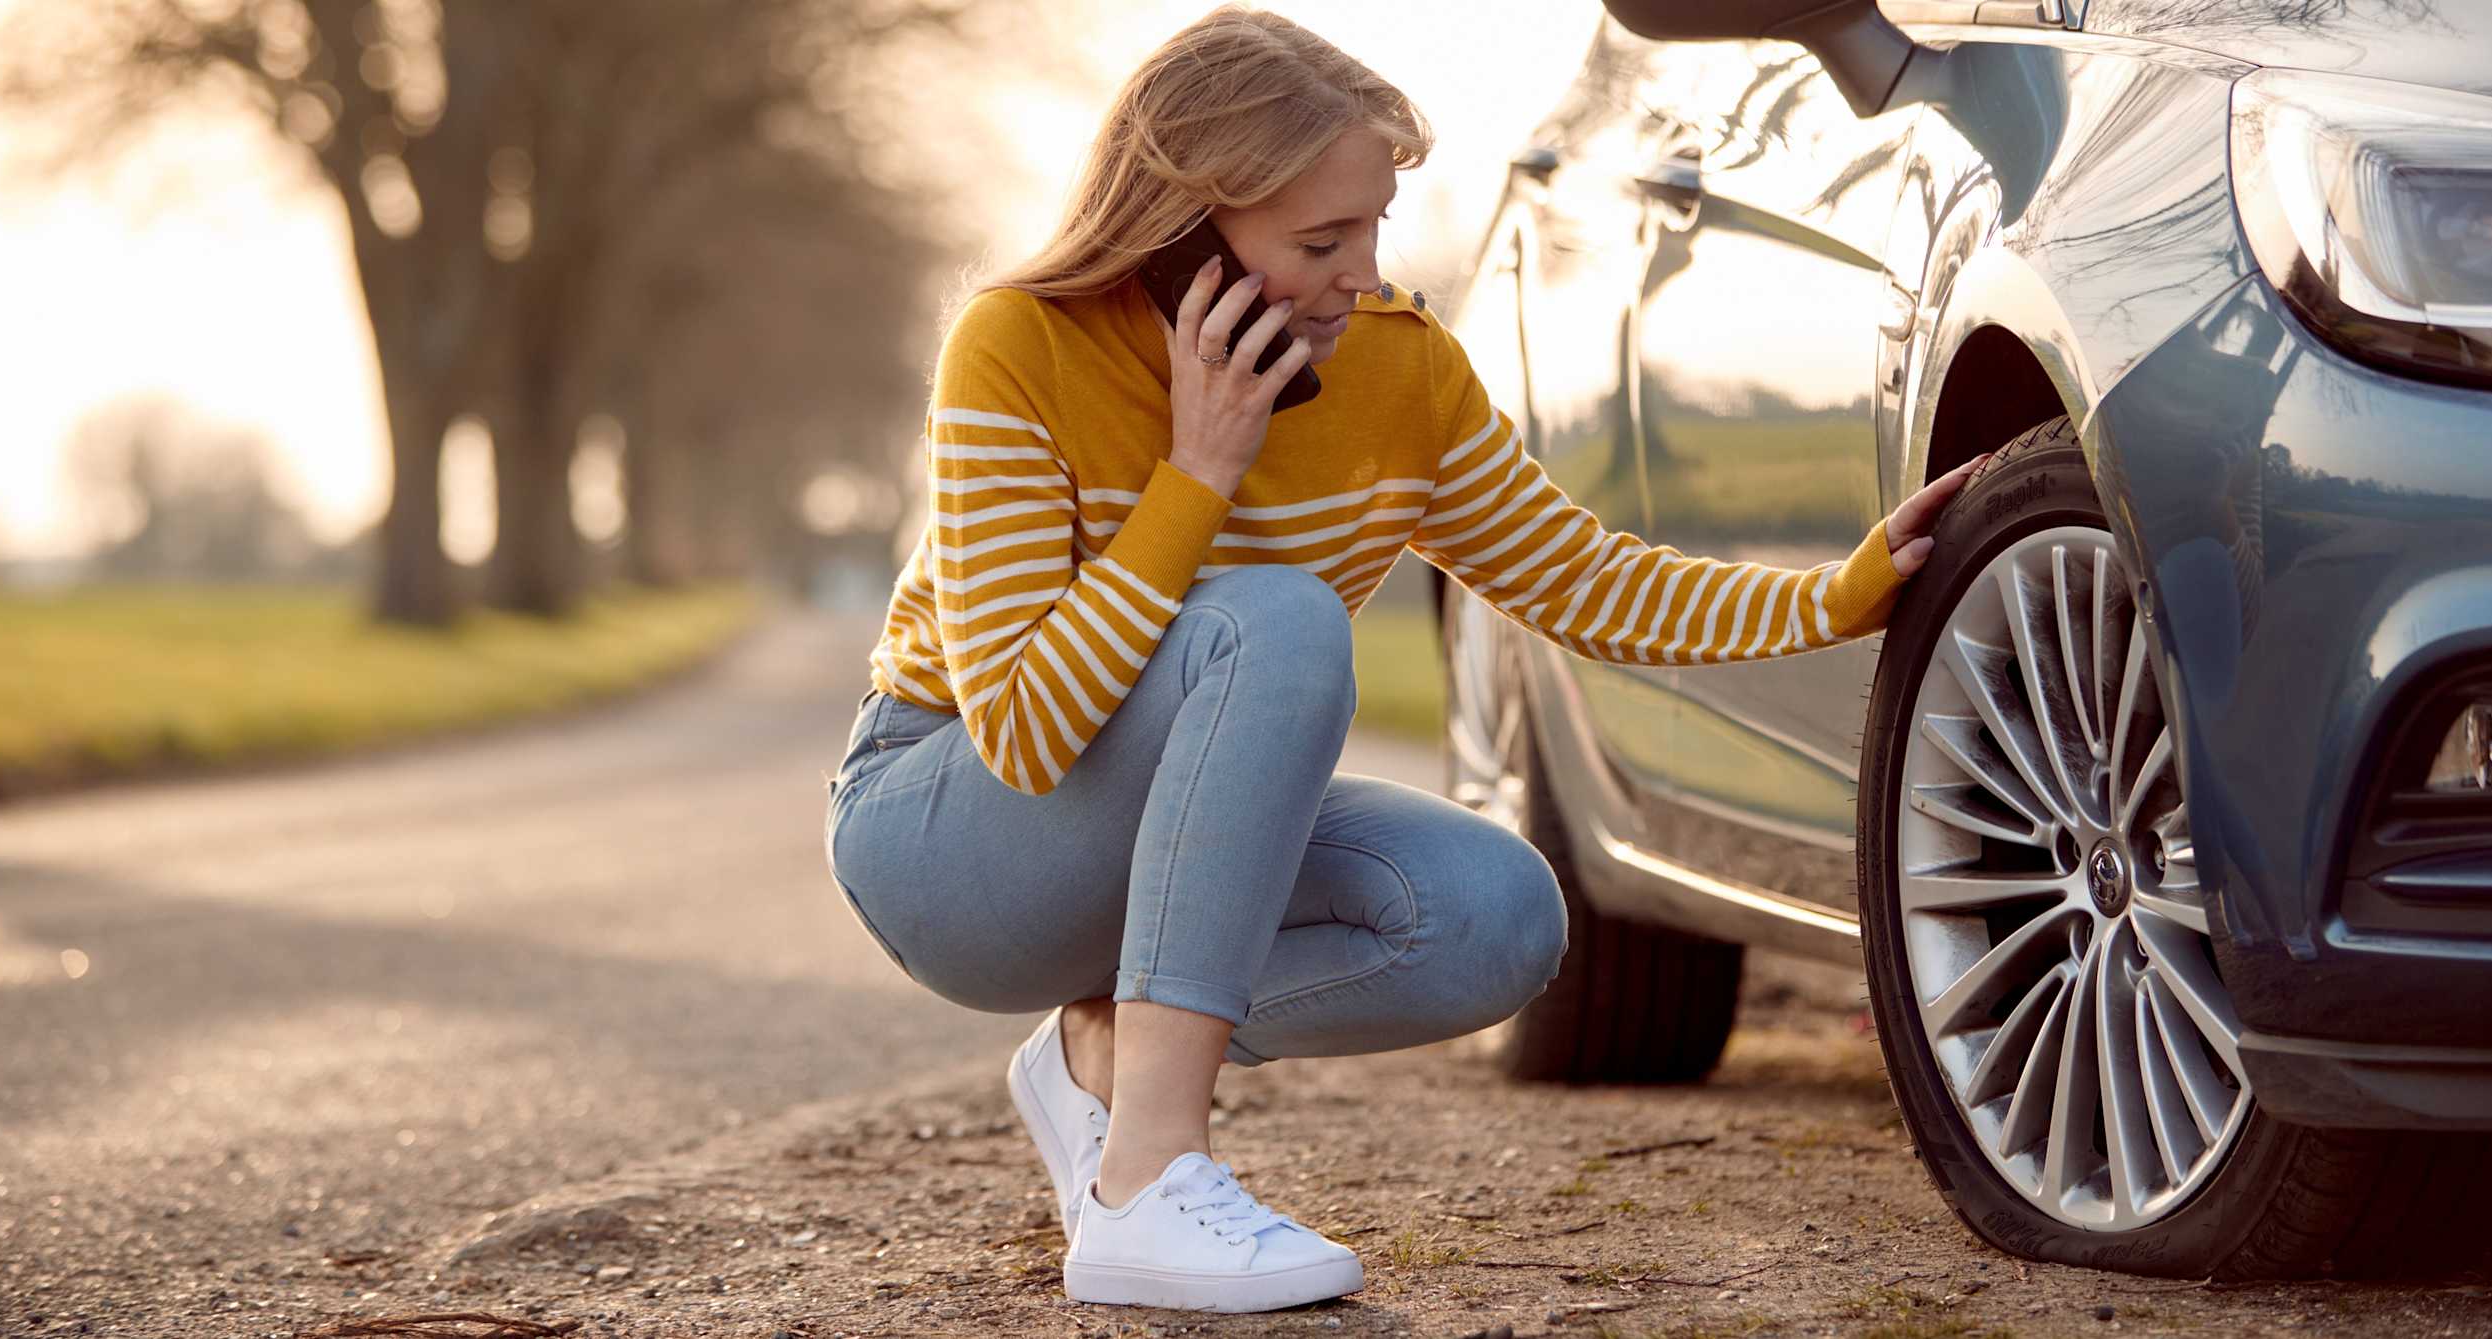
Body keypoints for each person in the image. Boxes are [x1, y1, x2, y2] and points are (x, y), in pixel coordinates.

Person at [823, 3, 1982, 1315]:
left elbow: (1587, 579)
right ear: (1184, 236)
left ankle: (1102, 1054)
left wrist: (1839, 595)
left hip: (1153, 837)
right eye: (1321, 241)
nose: (1362, 277)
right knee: (1279, 616)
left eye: (1371, 227)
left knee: (1496, 917)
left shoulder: (1399, 371)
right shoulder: (1020, 347)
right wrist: (1199, 472)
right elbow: (1027, 733)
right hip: (952, 837)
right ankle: (1145, 1182)